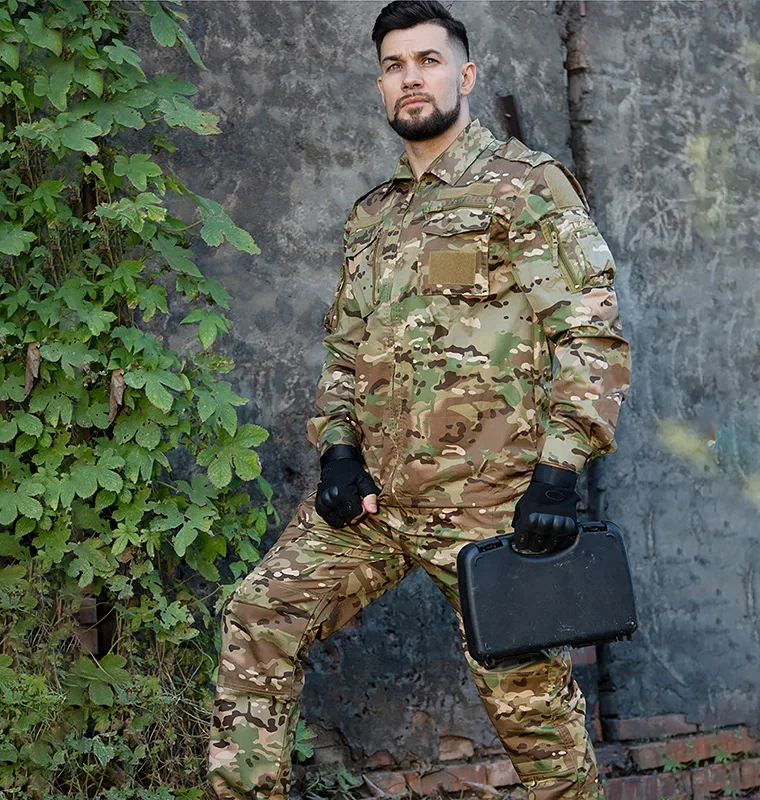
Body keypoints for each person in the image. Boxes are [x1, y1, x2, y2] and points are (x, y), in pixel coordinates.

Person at [208, 2, 630, 798]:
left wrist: (560, 473)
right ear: (381, 84)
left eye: (428, 61)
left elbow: (592, 335)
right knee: (259, 619)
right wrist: (336, 450)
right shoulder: (372, 217)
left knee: (539, 727)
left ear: (464, 75)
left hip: (493, 508)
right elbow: (345, 352)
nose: (412, 78)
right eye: (396, 65)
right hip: (379, 505)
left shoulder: (523, 186)